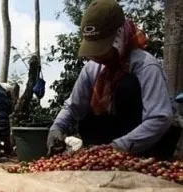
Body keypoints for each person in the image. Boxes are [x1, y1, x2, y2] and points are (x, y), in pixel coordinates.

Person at [46, 0, 180, 160]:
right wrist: (57, 128)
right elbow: (73, 107)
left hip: (149, 147)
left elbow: (160, 117)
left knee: (127, 86)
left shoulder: (145, 65)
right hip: (108, 147)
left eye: (103, 48)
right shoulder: (92, 69)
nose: (97, 56)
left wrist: (118, 147)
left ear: (119, 37)